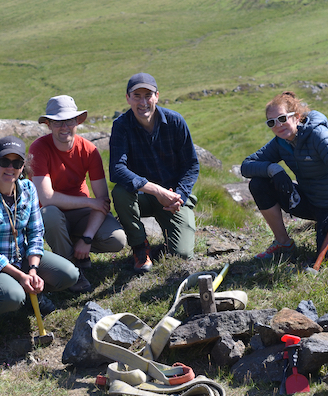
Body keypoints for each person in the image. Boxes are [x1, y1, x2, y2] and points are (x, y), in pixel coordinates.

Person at [0, 136, 80, 345]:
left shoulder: (28, 188)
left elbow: (36, 232)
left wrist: (33, 271)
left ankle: (30, 293)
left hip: (23, 260)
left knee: (70, 274)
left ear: (23, 166)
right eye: (4, 162)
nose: (10, 168)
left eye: (17, 163)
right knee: (12, 296)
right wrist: (21, 276)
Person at [241, 91, 328, 263]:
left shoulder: (318, 135)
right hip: (310, 201)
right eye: (271, 122)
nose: (278, 125)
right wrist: (274, 169)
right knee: (259, 184)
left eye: (282, 119)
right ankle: (283, 243)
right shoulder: (281, 142)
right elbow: (246, 165)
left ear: (296, 116)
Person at [29, 95, 127, 292]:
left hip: (81, 213)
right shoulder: (39, 148)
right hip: (55, 213)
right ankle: (71, 271)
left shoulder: (89, 150)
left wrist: (87, 238)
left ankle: (77, 248)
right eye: (57, 122)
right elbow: (46, 198)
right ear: (48, 124)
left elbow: (102, 201)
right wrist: (90, 203)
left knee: (117, 240)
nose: (64, 126)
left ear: (77, 122)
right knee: (49, 214)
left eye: (69, 121)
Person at [109, 72, 200, 272]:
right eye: (137, 96)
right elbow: (117, 170)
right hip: (140, 197)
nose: (143, 102)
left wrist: (179, 195)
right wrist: (157, 191)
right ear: (128, 98)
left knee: (182, 254)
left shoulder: (175, 122)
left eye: (148, 95)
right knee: (120, 192)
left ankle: (165, 241)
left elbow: (191, 165)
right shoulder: (121, 126)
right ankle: (139, 246)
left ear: (157, 96)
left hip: (172, 197)